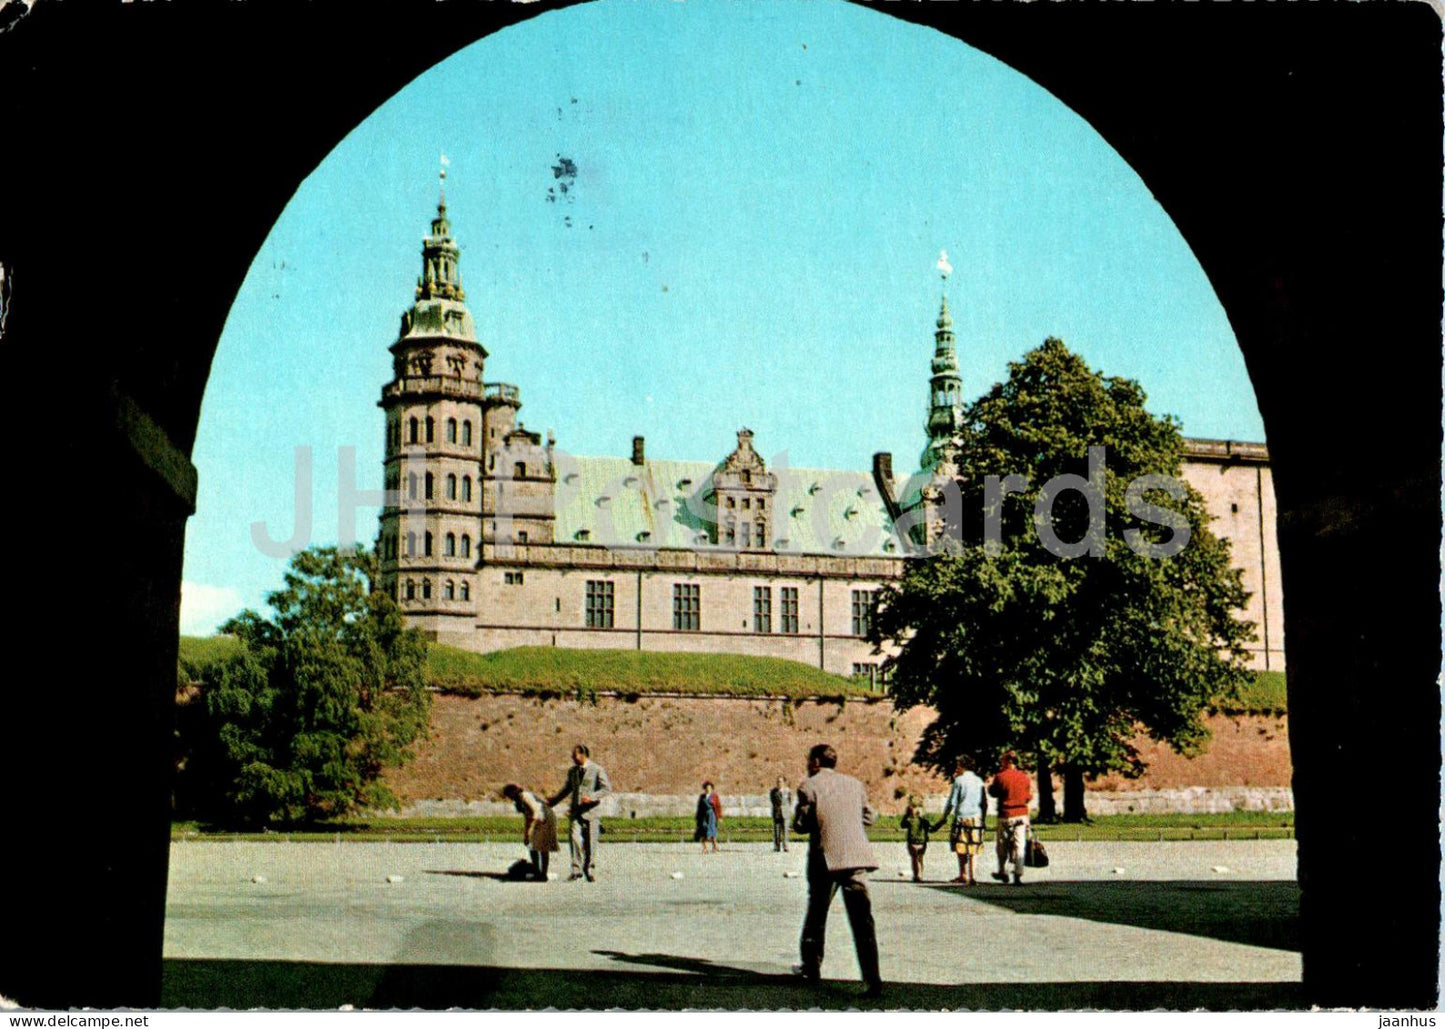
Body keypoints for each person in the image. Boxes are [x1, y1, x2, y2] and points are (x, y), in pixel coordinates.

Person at [791, 743, 883, 999]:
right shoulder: (855, 785)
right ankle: (872, 978)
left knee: (817, 915)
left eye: (809, 760)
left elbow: (801, 825)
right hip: (856, 857)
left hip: (825, 859)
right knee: (863, 919)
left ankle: (811, 968)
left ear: (816, 762)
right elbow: (870, 818)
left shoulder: (808, 786)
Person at [548, 743, 611, 882]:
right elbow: (567, 789)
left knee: (590, 842)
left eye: (574, 755)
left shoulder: (597, 769)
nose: (572, 758)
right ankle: (576, 870)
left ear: (582, 755)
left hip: (591, 812)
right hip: (576, 812)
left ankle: (589, 869)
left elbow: (606, 789)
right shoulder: (572, 772)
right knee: (574, 838)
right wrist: (553, 801)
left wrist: (592, 797)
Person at [935, 756, 987, 885]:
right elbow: (984, 802)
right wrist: (983, 818)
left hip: (961, 817)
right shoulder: (979, 781)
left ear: (963, 766)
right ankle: (973, 875)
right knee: (974, 846)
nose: (956, 768)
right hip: (976, 817)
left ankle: (963, 874)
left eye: (958, 765)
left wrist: (944, 817)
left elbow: (952, 802)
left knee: (961, 846)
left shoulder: (959, 781)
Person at [988, 750, 1032, 885]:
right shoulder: (1024, 777)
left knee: (1002, 845)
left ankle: (1002, 871)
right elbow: (1028, 797)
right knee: (1019, 845)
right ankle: (1018, 874)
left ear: (1006, 761)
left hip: (1005, 814)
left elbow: (994, 792)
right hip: (1021, 814)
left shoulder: (1000, 777)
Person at [501, 783, 559, 880]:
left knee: (543, 846)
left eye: (509, 795)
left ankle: (543, 874)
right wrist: (527, 833)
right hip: (537, 818)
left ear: (513, 792)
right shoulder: (518, 801)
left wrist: (529, 831)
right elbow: (527, 816)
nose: (509, 798)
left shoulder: (525, 796)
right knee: (532, 845)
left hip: (545, 818)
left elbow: (535, 812)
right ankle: (537, 870)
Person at [900, 798, 931, 882]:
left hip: (912, 842)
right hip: (922, 842)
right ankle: (920, 874)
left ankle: (916, 875)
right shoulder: (924, 822)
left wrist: (906, 815)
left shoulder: (910, 821)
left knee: (914, 859)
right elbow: (931, 829)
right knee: (920, 859)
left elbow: (902, 825)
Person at [695, 781, 720, 853]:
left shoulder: (714, 796)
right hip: (703, 816)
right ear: (705, 789)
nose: (708, 789)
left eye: (709, 788)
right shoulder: (702, 797)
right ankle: (705, 848)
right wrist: (698, 817)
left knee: (712, 831)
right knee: (703, 831)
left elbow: (718, 807)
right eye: (706, 788)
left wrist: (719, 816)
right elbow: (699, 807)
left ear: (711, 789)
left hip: (711, 815)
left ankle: (715, 846)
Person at [769, 777, 791, 852]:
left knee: (785, 831)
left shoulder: (787, 791)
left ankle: (786, 846)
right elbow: (772, 801)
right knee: (777, 831)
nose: (779, 783)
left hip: (785, 813)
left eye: (781, 782)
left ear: (784, 783)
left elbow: (789, 801)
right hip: (777, 813)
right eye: (778, 782)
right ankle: (777, 846)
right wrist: (777, 808)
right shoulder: (773, 792)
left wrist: (786, 808)